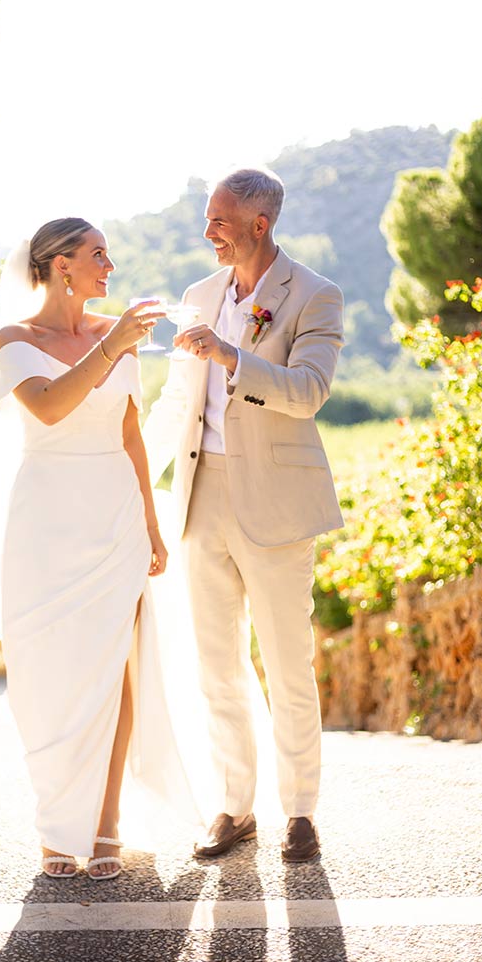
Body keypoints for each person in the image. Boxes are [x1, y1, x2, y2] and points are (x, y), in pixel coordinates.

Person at [0, 218, 196, 880]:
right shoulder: (17, 339)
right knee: (47, 676)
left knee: (113, 670)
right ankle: (53, 823)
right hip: (44, 523)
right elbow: (48, 408)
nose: (110, 266)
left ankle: (104, 823)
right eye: (98, 255)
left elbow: (129, 434)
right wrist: (113, 344)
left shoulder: (114, 334)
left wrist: (150, 525)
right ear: (60, 264)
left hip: (114, 514)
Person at [142, 168, 344, 863]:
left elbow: (308, 391)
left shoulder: (315, 295)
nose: (207, 233)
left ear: (260, 224)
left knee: (288, 661)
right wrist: (132, 470)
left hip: (279, 504)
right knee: (215, 663)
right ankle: (234, 806)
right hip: (201, 496)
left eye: (219, 221)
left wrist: (230, 354)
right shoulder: (199, 296)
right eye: (206, 218)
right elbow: (178, 402)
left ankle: (300, 812)